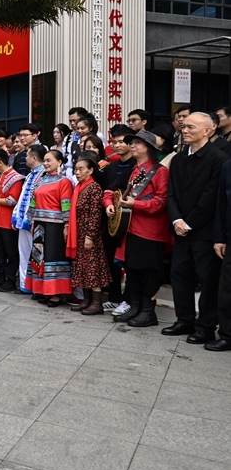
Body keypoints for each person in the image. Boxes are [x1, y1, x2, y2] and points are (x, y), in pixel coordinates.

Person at [163, 112, 229, 343]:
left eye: (191, 127)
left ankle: (205, 326)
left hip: (204, 231)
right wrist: (176, 220)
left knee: (208, 279)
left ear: (208, 130)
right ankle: (184, 319)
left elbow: (212, 198)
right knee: (179, 275)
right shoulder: (179, 158)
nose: (185, 129)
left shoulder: (218, 159)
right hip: (180, 228)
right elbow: (170, 193)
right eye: (184, 126)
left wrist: (189, 222)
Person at [104, 131, 170, 327]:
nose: (132, 146)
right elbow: (113, 190)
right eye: (131, 143)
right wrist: (110, 202)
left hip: (150, 231)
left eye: (137, 143)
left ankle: (148, 311)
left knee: (148, 271)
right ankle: (135, 306)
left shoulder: (159, 171)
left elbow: (162, 202)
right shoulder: (134, 170)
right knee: (132, 269)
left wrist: (136, 205)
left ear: (148, 148)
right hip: (131, 228)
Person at [26, 150, 73, 306]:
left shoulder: (64, 181)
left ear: (59, 162)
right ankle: (41, 289)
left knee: (53, 257)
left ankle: (56, 294)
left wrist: (66, 224)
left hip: (55, 225)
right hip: (39, 223)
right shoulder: (41, 180)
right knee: (39, 256)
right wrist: (31, 219)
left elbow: (66, 204)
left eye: (49, 160)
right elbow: (33, 201)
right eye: (44, 160)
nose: (45, 163)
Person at [66, 157, 111, 314]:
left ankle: (97, 304)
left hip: (90, 235)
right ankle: (86, 300)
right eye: (76, 170)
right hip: (78, 233)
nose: (77, 173)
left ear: (91, 170)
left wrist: (90, 236)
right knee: (82, 268)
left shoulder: (94, 188)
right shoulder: (79, 186)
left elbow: (95, 215)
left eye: (81, 169)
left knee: (92, 268)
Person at [102, 125, 136, 314]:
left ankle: (128, 299)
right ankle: (114, 298)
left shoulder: (135, 167)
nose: (117, 145)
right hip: (112, 219)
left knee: (129, 261)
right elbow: (107, 190)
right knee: (111, 258)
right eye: (114, 141)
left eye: (122, 141)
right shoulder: (111, 167)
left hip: (131, 220)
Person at [0, 149, 24, 291]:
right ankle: (0, 277)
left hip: (8, 222)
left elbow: (13, 200)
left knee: (11, 253)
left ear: (0, 163)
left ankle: (10, 280)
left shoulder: (16, 178)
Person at [11, 145, 46, 294]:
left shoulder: (44, 175)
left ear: (34, 158)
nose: (25, 159)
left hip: (36, 221)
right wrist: (16, 216)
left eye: (27, 156)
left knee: (38, 254)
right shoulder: (30, 175)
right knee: (24, 253)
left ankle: (38, 286)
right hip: (23, 220)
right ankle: (25, 285)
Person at [210, 158, 231, 351]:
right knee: (227, 290)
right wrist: (219, 238)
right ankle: (227, 335)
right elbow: (222, 204)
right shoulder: (227, 165)